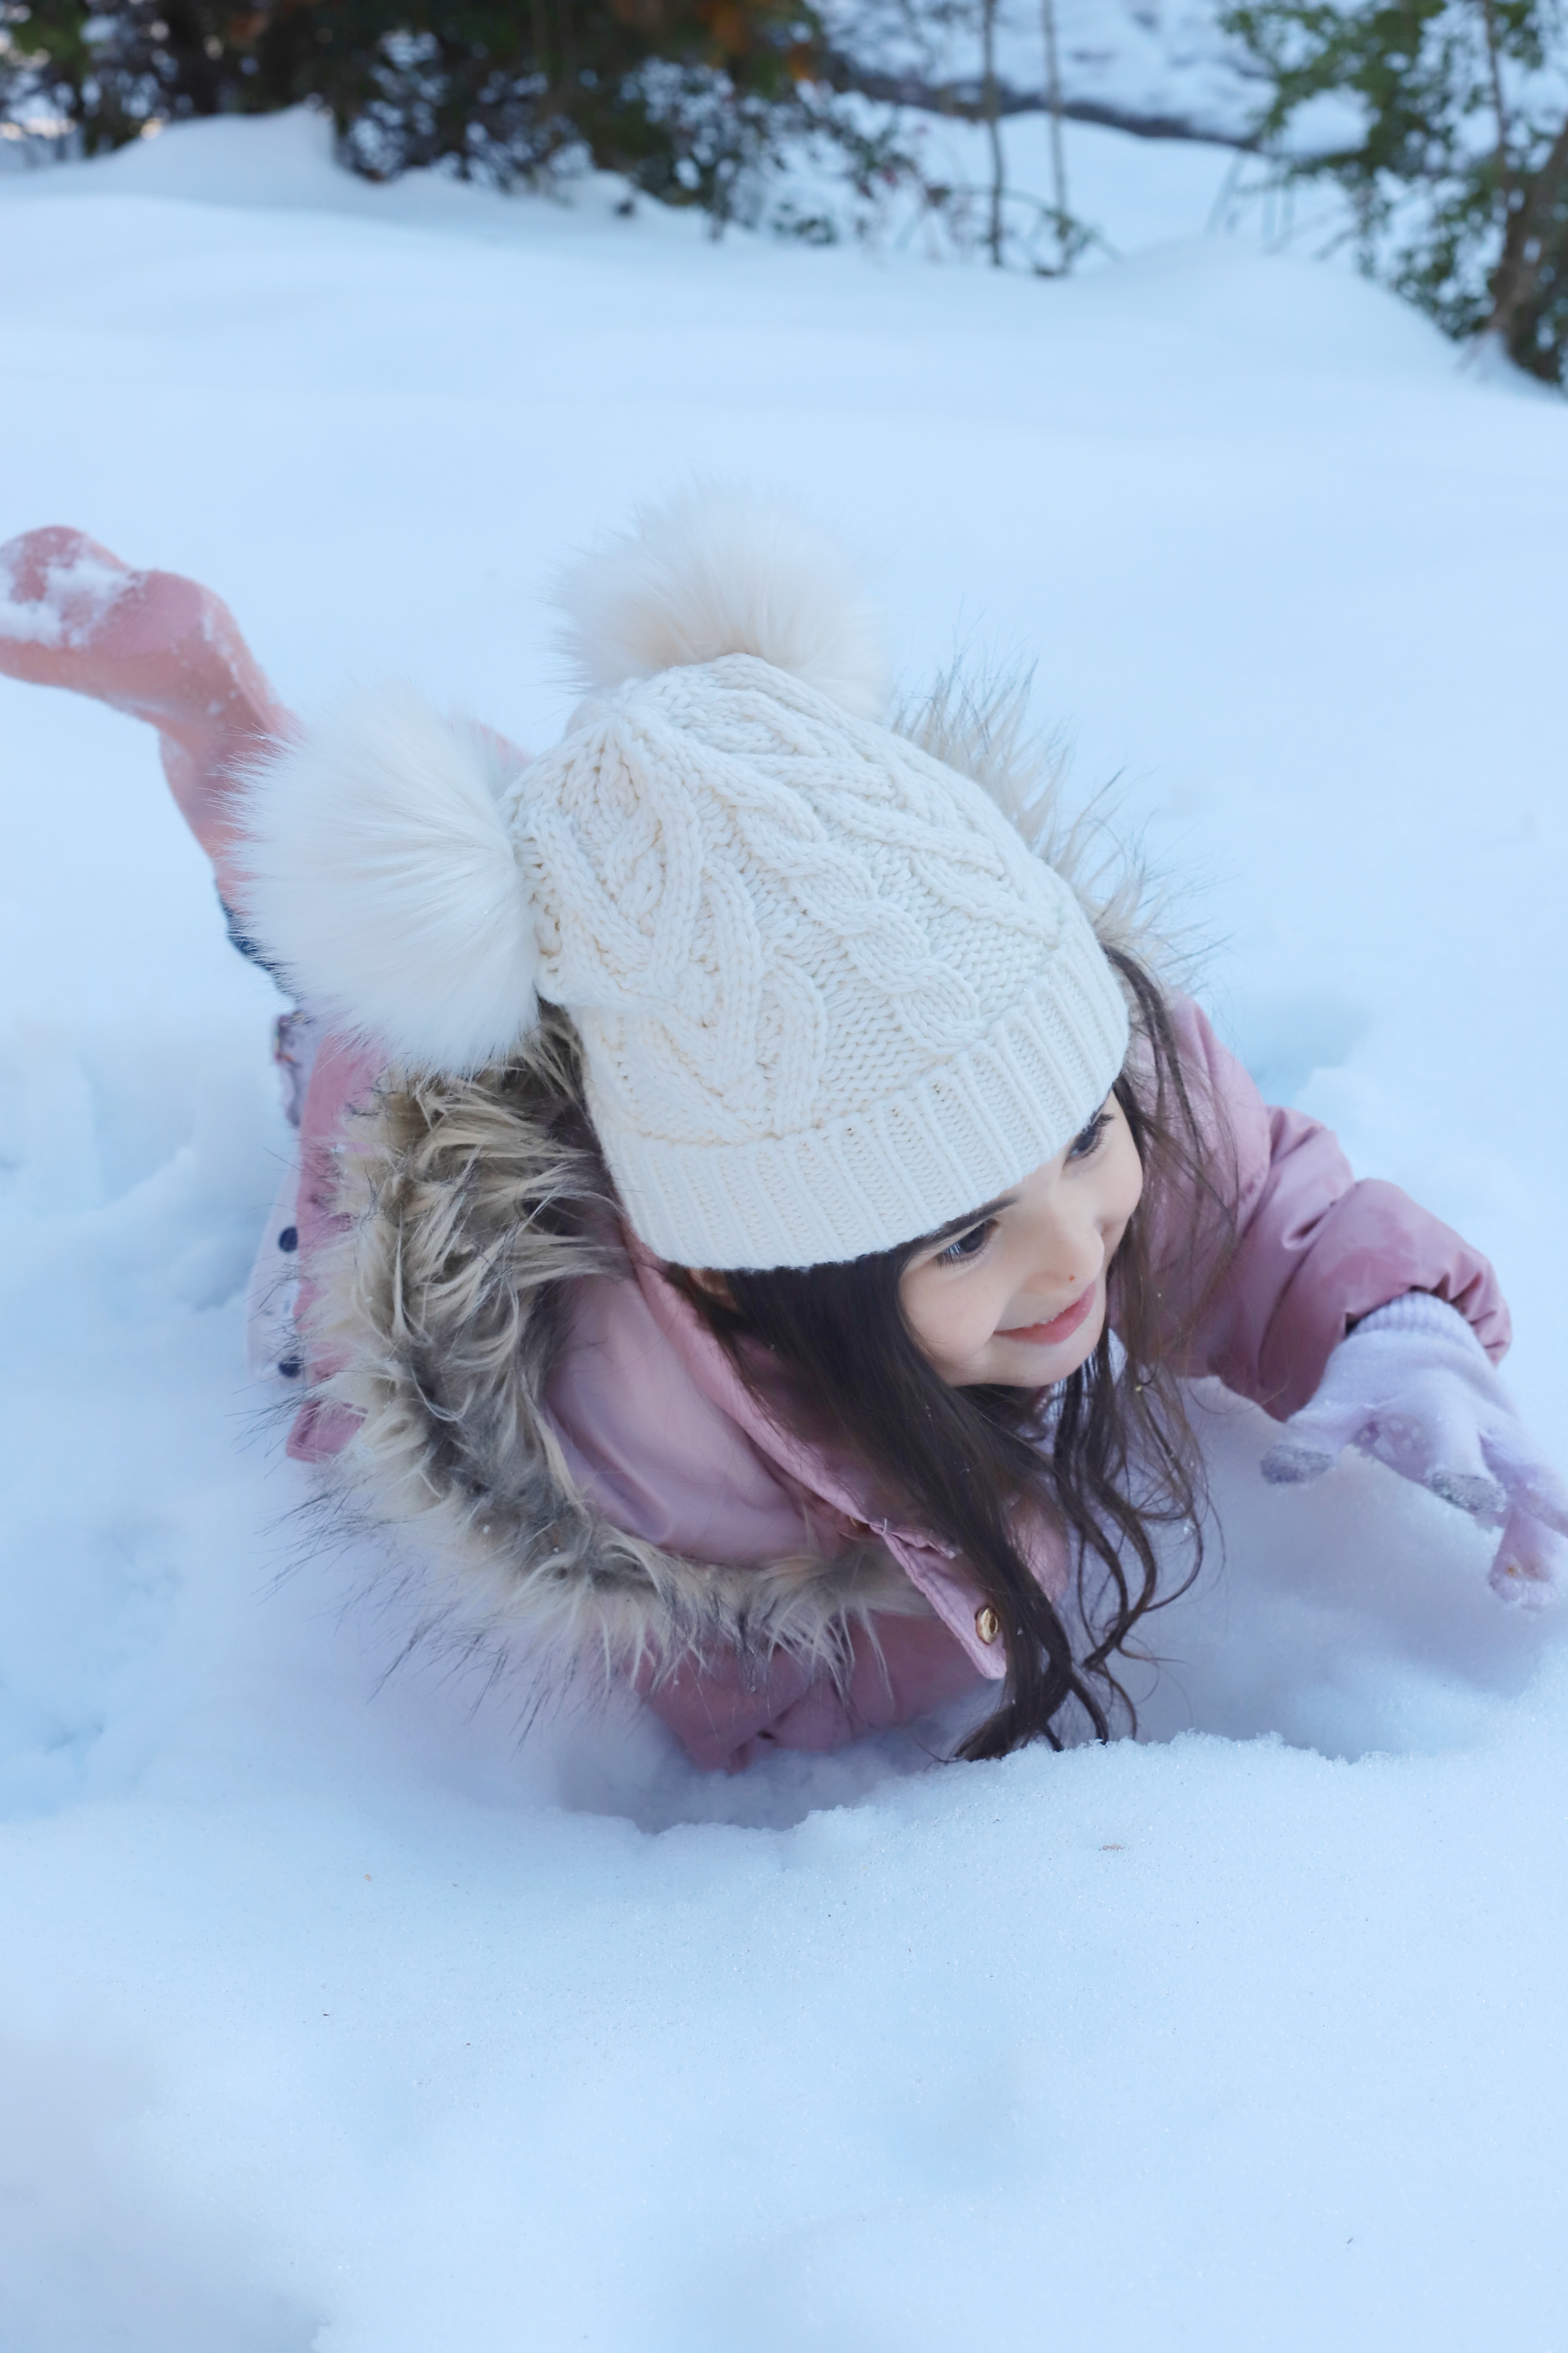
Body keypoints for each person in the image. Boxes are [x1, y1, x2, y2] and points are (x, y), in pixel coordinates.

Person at [2, 493, 1561, 1775]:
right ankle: (223, 722)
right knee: (325, 983)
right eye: (962, 1234)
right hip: (414, 1089)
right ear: (753, 1279)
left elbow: (1249, 1196)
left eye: (1084, 1143)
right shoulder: (627, 1425)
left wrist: (1388, 1323)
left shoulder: (1047, 1042)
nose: (1073, 1240)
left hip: (708, 968)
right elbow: (703, 1639)